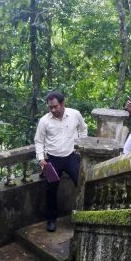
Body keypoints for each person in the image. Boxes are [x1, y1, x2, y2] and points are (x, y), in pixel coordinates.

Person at [34, 92, 88, 232]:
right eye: (50, 107)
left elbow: (83, 129)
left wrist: (80, 148)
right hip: (52, 160)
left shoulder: (75, 114)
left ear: (63, 104)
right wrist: (41, 159)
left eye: (55, 107)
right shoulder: (44, 121)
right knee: (51, 190)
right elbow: (39, 141)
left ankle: (84, 215)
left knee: (82, 184)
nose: (53, 110)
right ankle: (51, 220)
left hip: (71, 157)